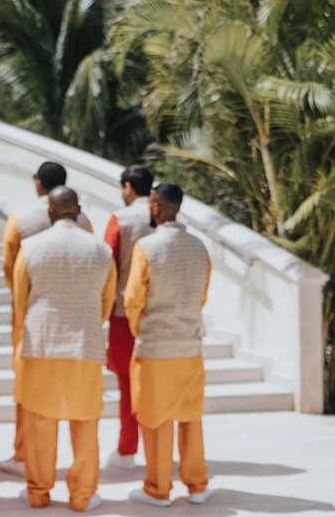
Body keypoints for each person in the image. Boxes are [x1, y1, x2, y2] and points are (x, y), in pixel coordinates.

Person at [12, 187, 115, 512]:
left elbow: (20, 303)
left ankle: (38, 493)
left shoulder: (29, 247)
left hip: (41, 343)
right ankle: (82, 496)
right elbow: (106, 303)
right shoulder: (102, 250)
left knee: (40, 420)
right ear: (79, 210)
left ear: (50, 213)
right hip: (84, 343)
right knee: (85, 421)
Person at [0, 162, 91, 477]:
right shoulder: (84, 220)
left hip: (32, 314)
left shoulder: (20, 219)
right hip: (78, 315)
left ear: (38, 183)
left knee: (29, 385)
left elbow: (12, 272)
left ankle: (24, 453)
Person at [124, 183, 212, 507]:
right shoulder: (200, 247)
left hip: (155, 347)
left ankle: (158, 488)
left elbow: (133, 300)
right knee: (190, 417)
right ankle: (198, 486)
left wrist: (141, 332)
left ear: (157, 206)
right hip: (190, 346)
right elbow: (201, 295)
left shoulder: (145, 247)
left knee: (155, 419)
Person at [102, 164, 155, 470]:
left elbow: (107, 265)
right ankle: (156, 448)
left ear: (128, 187)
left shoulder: (120, 219)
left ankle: (127, 448)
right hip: (160, 310)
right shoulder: (168, 215)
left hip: (124, 312)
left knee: (126, 383)